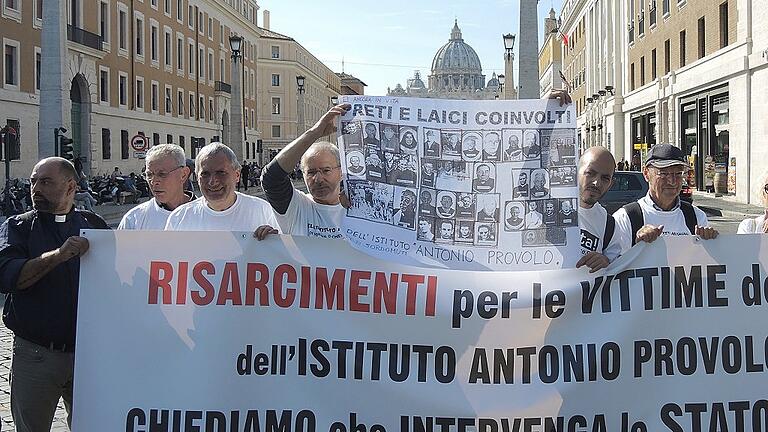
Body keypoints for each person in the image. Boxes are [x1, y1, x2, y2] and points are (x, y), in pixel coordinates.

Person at [0, 157, 110, 431]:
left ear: (71, 186)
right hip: (36, 355)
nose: (36, 188)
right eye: (33, 181)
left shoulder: (93, 225)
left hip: (88, 355)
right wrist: (58, 256)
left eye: (46, 182)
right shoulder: (18, 227)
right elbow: (9, 277)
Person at [261, 105, 349, 238]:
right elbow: (272, 178)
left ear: (341, 172)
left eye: (326, 170)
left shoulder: (357, 211)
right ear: (303, 174)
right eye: (311, 172)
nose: (318, 179)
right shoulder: (296, 207)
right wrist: (315, 132)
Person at [613, 143, 718, 252]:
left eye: (678, 174)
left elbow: (706, 263)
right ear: (646, 174)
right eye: (663, 174)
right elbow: (614, 264)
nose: (672, 181)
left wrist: (710, 245)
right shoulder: (626, 217)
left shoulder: (696, 217)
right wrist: (637, 245)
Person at [165, 142, 278, 237]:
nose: (212, 181)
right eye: (205, 174)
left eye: (221, 173)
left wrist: (274, 242)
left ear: (237, 175)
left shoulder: (264, 212)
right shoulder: (179, 218)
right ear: (196, 177)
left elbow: (285, 257)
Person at [119, 144, 194, 230]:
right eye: (149, 175)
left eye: (162, 174)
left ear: (183, 174)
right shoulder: (133, 219)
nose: (154, 181)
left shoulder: (207, 213)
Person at [574, 146, 622, 272]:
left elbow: (617, 270)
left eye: (605, 178)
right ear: (576, 171)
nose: (597, 183)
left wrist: (606, 262)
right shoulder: (545, 211)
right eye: (590, 173)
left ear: (611, 184)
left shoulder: (609, 225)